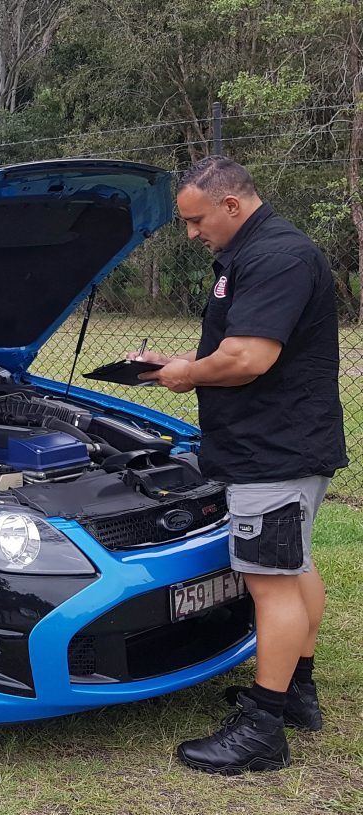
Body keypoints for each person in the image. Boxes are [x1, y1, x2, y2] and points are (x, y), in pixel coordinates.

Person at [132, 156, 347, 775]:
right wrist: (177, 362)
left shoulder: (276, 256)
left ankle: (262, 729)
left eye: (197, 221)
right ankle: (296, 694)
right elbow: (237, 350)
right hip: (277, 443)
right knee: (292, 566)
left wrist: (187, 372)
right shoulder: (253, 254)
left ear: (231, 205)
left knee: (269, 582)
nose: (193, 234)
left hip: (274, 452)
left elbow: (249, 358)